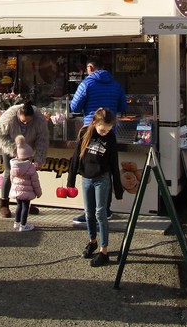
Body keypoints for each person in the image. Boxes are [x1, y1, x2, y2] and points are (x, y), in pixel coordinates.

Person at [69, 57, 127, 223]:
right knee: (107, 169)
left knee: (89, 170)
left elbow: (74, 107)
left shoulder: (87, 84)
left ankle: (90, 212)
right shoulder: (116, 85)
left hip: (91, 131)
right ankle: (106, 210)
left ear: (90, 67)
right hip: (110, 132)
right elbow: (123, 106)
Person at [67, 107, 123, 267]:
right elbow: (76, 157)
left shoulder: (111, 139)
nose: (104, 132)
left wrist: (118, 189)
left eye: (108, 130)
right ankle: (92, 241)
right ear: (94, 123)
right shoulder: (85, 134)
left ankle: (103, 250)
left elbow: (114, 163)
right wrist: (70, 181)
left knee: (100, 213)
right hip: (86, 178)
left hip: (102, 178)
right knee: (88, 213)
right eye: (102, 129)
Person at [0, 100, 49, 218]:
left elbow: (42, 139)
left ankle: (25, 203)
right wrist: (14, 149)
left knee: (27, 176)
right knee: (9, 172)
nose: (26, 124)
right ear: (18, 115)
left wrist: (39, 158)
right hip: (10, 144)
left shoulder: (39, 119)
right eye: (23, 121)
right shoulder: (9, 117)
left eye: (29, 122)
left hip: (27, 148)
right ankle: (4, 203)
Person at [9, 134, 42, 232]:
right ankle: (23, 225)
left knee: (19, 206)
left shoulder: (14, 166)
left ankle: (17, 222)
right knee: (25, 208)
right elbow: (35, 182)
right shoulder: (30, 168)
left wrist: (14, 188)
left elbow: (11, 178)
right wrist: (38, 193)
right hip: (27, 193)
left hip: (17, 191)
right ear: (29, 157)